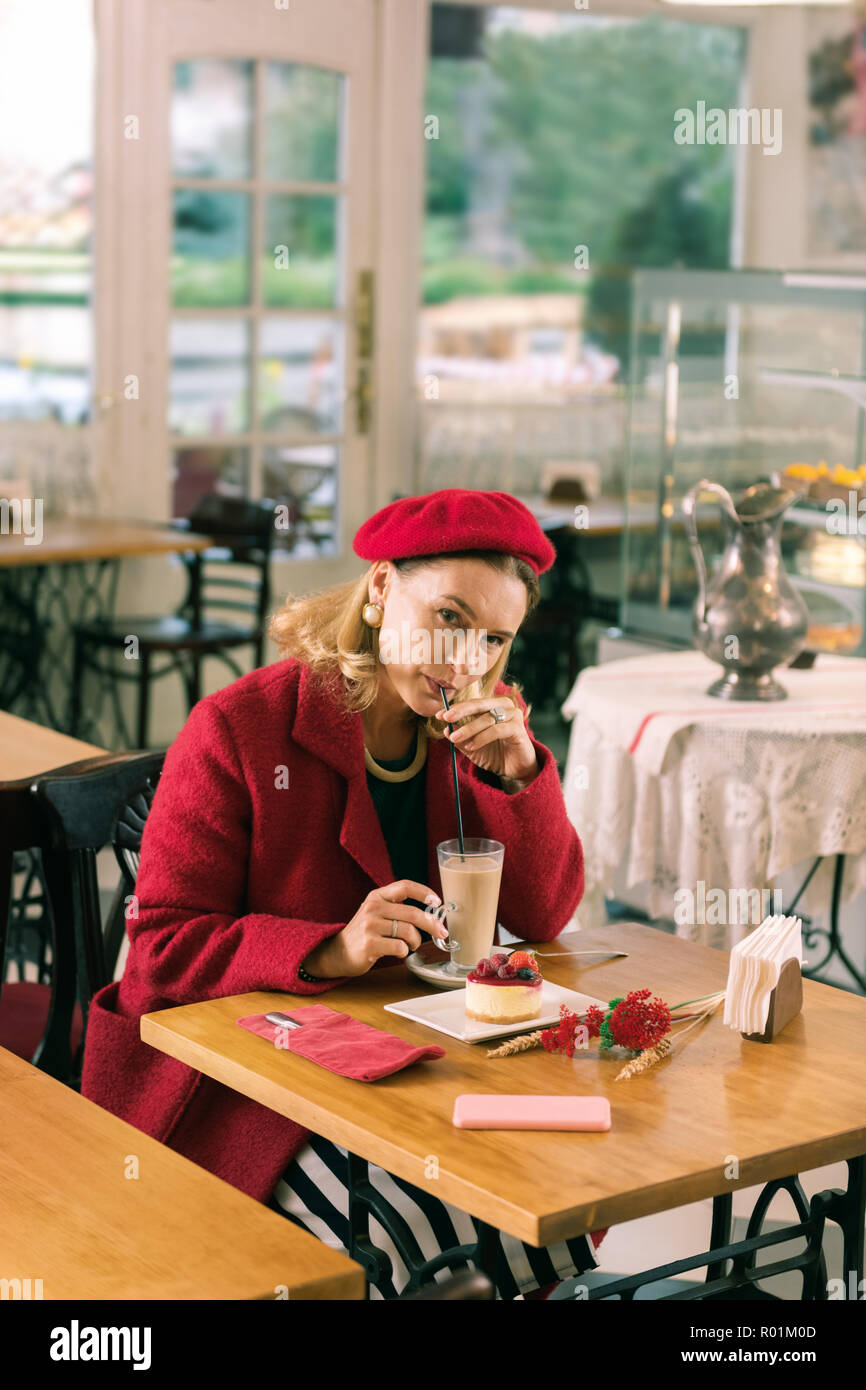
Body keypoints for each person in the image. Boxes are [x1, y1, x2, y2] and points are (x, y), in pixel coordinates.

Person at [80, 488, 607, 1299]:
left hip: (405, 1060)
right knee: (418, 1229)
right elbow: (161, 952)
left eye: (494, 638)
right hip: (242, 1083)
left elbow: (543, 915)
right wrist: (330, 946)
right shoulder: (238, 730)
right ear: (383, 589)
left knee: (553, 1178)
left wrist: (526, 775)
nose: (466, 659)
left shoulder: (474, 732)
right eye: (450, 618)